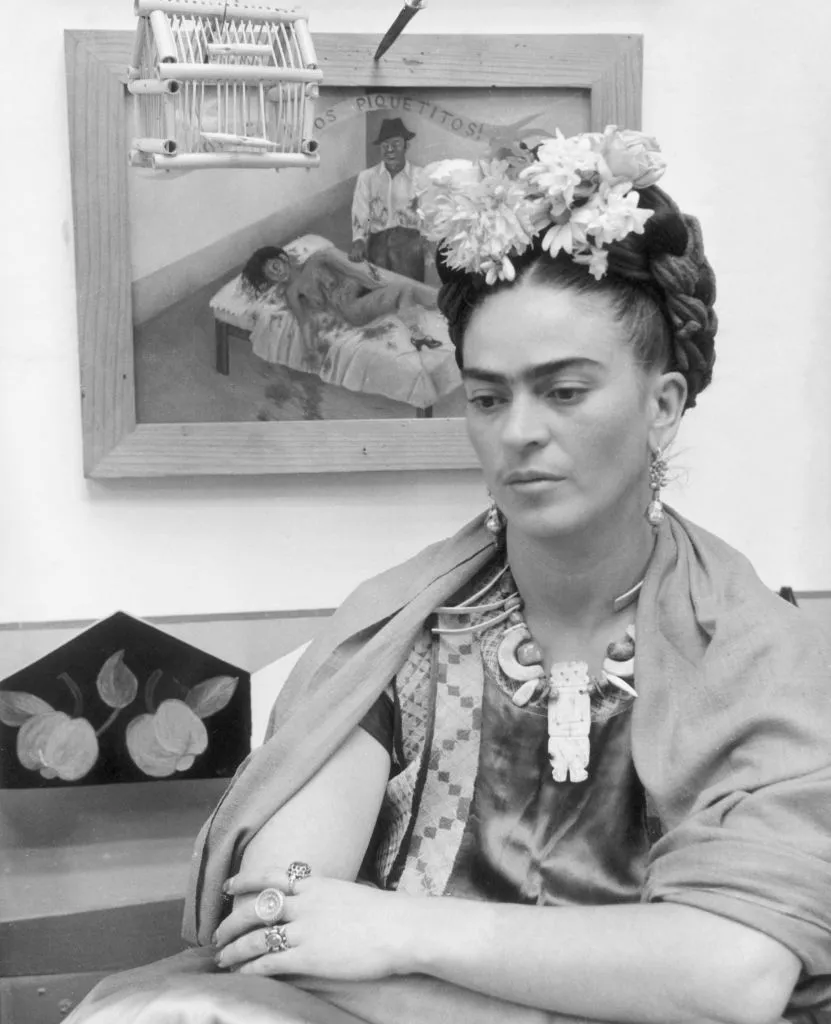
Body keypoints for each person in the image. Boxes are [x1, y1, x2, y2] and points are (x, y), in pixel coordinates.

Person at [69, 128, 831, 1024]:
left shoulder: (756, 652)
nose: (517, 432)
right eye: (485, 395)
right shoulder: (399, 629)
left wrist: (402, 936)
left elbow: (732, 977)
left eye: (564, 390)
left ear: (661, 405)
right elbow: (280, 922)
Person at [239, 244, 438, 340]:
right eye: (271, 276)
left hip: (360, 293)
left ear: (283, 258)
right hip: (353, 310)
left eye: (275, 266)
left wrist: (376, 286)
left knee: (404, 289)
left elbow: (352, 271)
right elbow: (304, 324)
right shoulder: (292, 293)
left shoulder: (318, 259)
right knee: (405, 289)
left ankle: (437, 307)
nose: (278, 273)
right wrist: (310, 350)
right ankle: (419, 329)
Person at [350, 117, 430, 282]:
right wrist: (358, 240)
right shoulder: (367, 177)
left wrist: (425, 243)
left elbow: (428, 214)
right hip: (378, 247)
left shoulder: (421, 176)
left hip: (410, 248)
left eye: (396, 144)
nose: (390, 150)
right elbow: (360, 211)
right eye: (385, 146)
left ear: (406, 146)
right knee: (381, 292)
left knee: (409, 293)